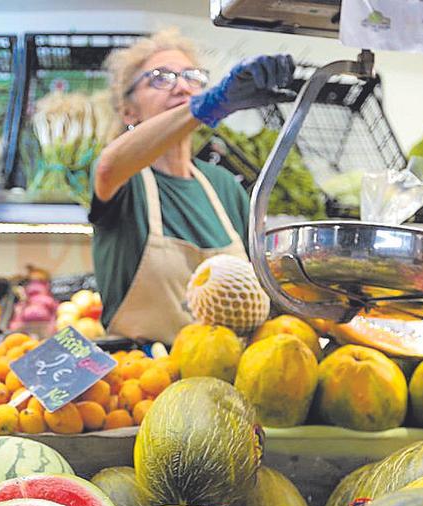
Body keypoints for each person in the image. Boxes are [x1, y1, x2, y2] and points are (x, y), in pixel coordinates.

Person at [90, 28, 294, 343]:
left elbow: (262, 284)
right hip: (142, 379)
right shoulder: (126, 179)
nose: (181, 86)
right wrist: (207, 106)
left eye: (191, 76)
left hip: (227, 374)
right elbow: (108, 166)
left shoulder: (223, 185)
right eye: (160, 78)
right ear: (128, 110)